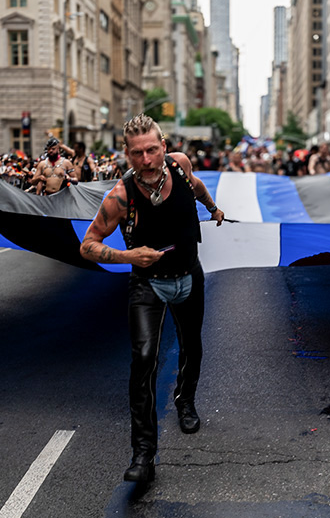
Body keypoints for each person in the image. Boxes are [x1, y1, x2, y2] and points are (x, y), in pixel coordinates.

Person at [79, 114, 225, 483]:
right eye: (137, 153)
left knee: (193, 344)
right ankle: (143, 453)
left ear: (164, 145)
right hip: (148, 283)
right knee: (143, 359)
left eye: (152, 150)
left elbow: (196, 186)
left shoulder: (180, 165)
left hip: (189, 273)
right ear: (126, 155)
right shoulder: (121, 195)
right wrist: (130, 256)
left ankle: (184, 399)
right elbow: (88, 246)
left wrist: (212, 209)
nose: (146, 160)